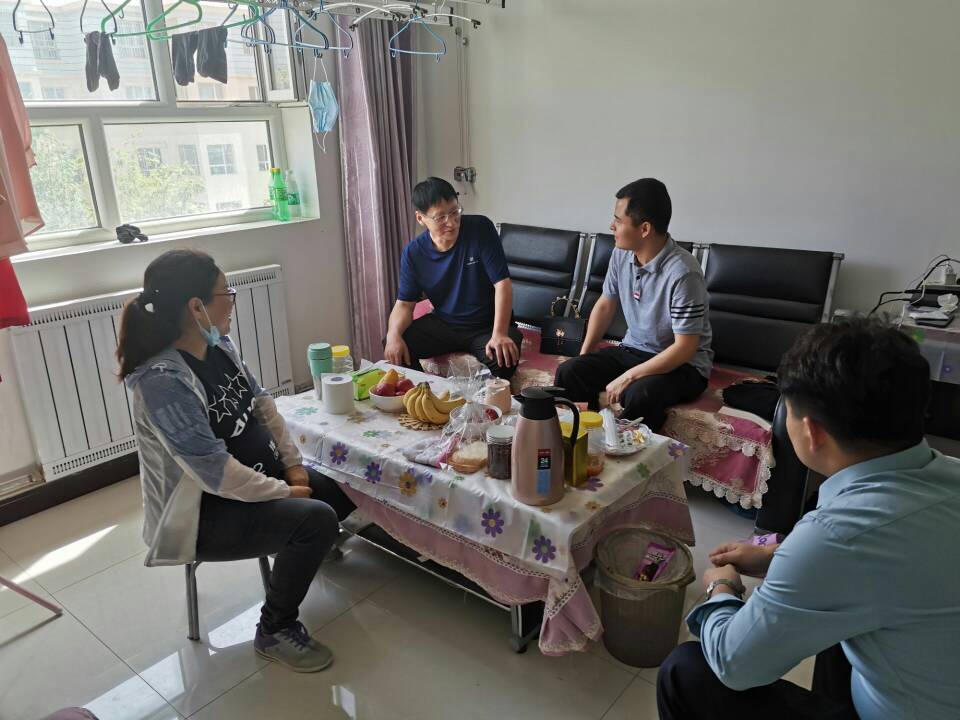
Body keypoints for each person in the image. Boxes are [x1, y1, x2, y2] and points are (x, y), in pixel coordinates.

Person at [657, 319, 960, 720]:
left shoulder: (836, 536)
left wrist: (722, 588)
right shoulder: (948, 474)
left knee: (686, 671)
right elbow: (894, 560)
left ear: (812, 432)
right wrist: (779, 556)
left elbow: (735, 665)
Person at [118, 249, 356, 673]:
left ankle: (300, 548)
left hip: (255, 481)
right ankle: (274, 629)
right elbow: (215, 474)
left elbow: (263, 404)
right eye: (225, 293)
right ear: (196, 307)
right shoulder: (163, 382)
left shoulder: (217, 345)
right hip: (206, 513)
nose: (231, 301)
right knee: (316, 519)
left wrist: (294, 467)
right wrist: (286, 492)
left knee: (342, 487)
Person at [554, 178, 712, 431]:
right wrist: (585, 356)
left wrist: (629, 376)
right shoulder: (621, 254)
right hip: (634, 350)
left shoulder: (683, 273)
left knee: (639, 393)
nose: (611, 226)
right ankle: (584, 436)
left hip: (683, 366)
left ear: (644, 229)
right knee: (570, 371)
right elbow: (605, 305)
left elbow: (685, 348)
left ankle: (626, 450)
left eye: (618, 221)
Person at [383, 176, 523, 379]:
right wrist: (393, 335)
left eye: (454, 211)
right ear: (420, 218)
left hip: (486, 325)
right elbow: (404, 304)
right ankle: (427, 391)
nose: (451, 222)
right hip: (445, 324)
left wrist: (499, 333)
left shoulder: (480, 228)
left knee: (503, 361)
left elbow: (502, 283)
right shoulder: (413, 253)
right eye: (440, 217)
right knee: (395, 344)